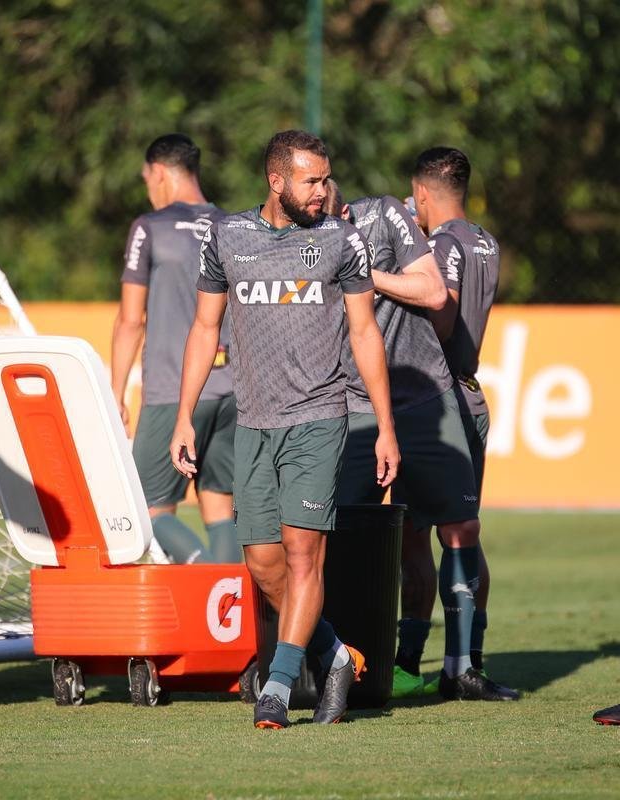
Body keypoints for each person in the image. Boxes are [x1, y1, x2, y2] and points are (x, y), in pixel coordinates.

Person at [170, 130, 399, 728]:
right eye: (311, 180)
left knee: (302, 556)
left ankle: (277, 685)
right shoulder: (228, 236)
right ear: (277, 181)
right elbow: (204, 330)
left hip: (319, 418)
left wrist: (385, 426)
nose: (323, 190)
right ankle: (335, 654)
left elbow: (364, 333)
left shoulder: (342, 240)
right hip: (252, 423)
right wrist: (183, 417)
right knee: (264, 563)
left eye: (326, 178)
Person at [329, 177, 518, 701]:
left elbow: (434, 294)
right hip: (354, 403)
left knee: (461, 525)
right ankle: (356, 662)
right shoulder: (297, 244)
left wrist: (362, 273)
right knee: (352, 532)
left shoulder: (384, 214)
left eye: (327, 194)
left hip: (427, 398)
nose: (321, 204)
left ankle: (461, 667)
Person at [111, 133, 240, 565]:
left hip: (173, 391)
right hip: (231, 391)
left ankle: (209, 581)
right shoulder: (233, 226)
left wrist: (116, 394)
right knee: (220, 505)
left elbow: (131, 320)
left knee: (147, 511)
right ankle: (230, 597)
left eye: (147, 178)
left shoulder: (150, 227)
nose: (148, 187)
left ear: (160, 173)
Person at [408, 146, 509, 692]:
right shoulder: (485, 240)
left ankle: (411, 662)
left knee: (415, 534)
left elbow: (442, 316)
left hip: (438, 402)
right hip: (471, 394)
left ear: (422, 192)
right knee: (465, 529)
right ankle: (469, 659)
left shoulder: (443, 242)